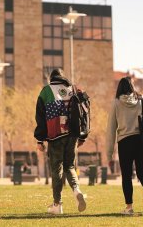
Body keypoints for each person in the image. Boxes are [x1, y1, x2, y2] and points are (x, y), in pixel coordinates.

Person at [34, 68, 86, 215]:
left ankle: (57, 205)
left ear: (51, 78)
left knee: (57, 169)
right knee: (69, 166)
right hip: (73, 135)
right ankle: (77, 190)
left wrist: (40, 139)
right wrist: (82, 136)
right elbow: (83, 114)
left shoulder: (46, 91)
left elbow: (40, 118)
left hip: (55, 136)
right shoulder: (73, 89)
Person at [106, 76, 143, 215]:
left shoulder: (116, 103)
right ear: (132, 86)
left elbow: (111, 128)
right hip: (142, 141)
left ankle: (129, 207)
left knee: (127, 175)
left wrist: (109, 153)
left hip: (125, 142)